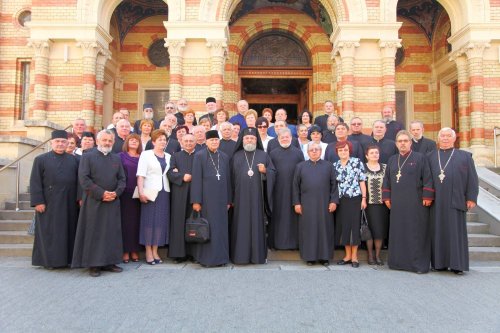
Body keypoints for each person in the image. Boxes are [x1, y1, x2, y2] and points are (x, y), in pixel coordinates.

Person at [72, 129, 126, 277]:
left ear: (113, 142)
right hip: (94, 201)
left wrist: (115, 193)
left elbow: (122, 179)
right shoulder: (87, 157)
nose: (107, 143)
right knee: (94, 232)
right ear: (97, 141)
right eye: (104, 140)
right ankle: (94, 264)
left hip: (113, 200)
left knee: (111, 232)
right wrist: (102, 193)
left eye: (110, 141)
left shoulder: (116, 158)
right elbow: (84, 179)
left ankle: (110, 262)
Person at [382, 130, 434, 274]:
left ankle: (416, 264)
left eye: (405, 141)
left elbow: (428, 178)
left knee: (415, 233)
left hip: (416, 203)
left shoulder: (420, 158)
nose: (403, 143)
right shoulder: (392, 160)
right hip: (397, 204)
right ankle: (397, 263)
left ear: (410, 143)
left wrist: (427, 196)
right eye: (400, 141)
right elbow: (386, 180)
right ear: (396, 144)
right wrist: (386, 197)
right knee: (398, 232)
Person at [428, 128, 479, 275]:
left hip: (456, 200)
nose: (445, 138)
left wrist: (471, 197)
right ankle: (439, 263)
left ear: (454, 138)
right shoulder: (430, 156)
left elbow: (472, 179)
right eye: (442, 136)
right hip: (436, 201)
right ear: (438, 139)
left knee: (455, 232)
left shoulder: (465, 157)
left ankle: (457, 265)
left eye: (448, 136)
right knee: (437, 231)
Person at [30, 130, 79, 269]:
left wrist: (79, 199)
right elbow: (35, 181)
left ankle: (67, 260)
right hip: (48, 203)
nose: (60, 144)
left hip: (69, 201)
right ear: (52, 143)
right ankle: (49, 262)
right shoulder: (40, 159)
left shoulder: (74, 160)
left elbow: (80, 182)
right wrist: (38, 201)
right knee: (49, 232)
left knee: (68, 231)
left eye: (63, 142)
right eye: (57, 141)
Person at [231, 127, 275, 264]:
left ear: (257, 140)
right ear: (242, 140)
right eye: (247, 138)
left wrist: (265, 171)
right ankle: (240, 256)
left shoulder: (263, 155)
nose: (249, 140)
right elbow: (230, 179)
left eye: (252, 138)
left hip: (257, 198)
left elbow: (273, 172)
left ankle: (258, 257)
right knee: (241, 226)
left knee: (257, 225)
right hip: (239, 199)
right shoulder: (236, 156)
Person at [293, 142, 339, 266]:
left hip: (325, 204)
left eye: (317, 149)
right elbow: (295, 186)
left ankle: (325, 257)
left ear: (321, 151)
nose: (314, 151)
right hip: (306, 204)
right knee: (309, 230)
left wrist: (334, 201)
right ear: (307, 152)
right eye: (312, 150)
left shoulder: (328, 166)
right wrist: (297, 203)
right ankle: (310, 257)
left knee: (325, 230)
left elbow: (334, 185)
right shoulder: (300, 166)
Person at [191, 130, 232, 267]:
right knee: (208, 228)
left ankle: (221, 258)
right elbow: (196, 179)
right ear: (206, 142)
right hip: (206, 199)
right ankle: (207, 259)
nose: (214, 142)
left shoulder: (224, 157)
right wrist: (196, 201)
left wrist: (228, 200)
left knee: (220, 229)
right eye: (212, 140)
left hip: (221, 199)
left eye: (216, 140)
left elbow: (227, 179)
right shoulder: (200, 156)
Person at [136, 129, 171, 265]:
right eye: (160, 139)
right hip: (150, 192)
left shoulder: (168, 156)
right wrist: (141, 192)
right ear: (153, 141)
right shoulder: (146, 155)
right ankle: (148, 251)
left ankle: (155, 251)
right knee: (149, 222)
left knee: (160, 223)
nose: (162, 141)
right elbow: (141, 175)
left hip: (164, 192)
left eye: (164, 139)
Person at [269, 128, 304, 250]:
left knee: (293, 217)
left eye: (287, 137)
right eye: (282, 137)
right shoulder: (273, 153)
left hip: (294, 190)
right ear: (278, 139)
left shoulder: (298, 153)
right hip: (278, 190)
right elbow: (270, 171)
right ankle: (278, 244)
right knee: (279, 217)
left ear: (291, 138)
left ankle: (294, 244)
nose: (284, 139)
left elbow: (302, 171)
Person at [333, 141, 367, 268]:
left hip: (355, 198)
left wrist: (364, 198)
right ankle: (347, 256)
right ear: (337, 152)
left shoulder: (357, 162)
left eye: (345, 150)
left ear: (349, 151)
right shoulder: (334, 165)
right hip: (341, 200)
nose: (343, 152)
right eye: (340, 150)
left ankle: (355, 257)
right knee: (344, 227)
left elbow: (362, 181)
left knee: (354, 226)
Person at [167, 134, 196, 263]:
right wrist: (182, 176)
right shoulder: (176, 156)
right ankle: (179, 254)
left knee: (194, 223)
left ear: (195, 142)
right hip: (179, 193)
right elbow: (170, 173)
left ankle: (194, 253)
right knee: (178, 223)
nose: (189, 143)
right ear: (181, 142)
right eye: (186, 141)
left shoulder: (200, 156)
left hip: (195, 193)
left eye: (191, 141)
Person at [118, 134, 142, 263]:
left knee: (137, 223)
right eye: (131, 140)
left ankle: (135, 250)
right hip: (126, 193)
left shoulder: (143, 157)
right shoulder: (120, 156)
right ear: (127, 142)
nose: (134, 142)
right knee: (126, 223)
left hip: (140, 193)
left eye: (136, 140)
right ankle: (125, 250)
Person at [363, 145, 389, 265]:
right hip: (368, 205)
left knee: (379, 231)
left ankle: (378, 256)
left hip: (382, 205)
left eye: (376, 153)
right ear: (367, 155)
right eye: (372, 153)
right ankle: (370, 256)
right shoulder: (362, 168)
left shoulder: (385, 168)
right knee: (369, 231)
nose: (374, 155)